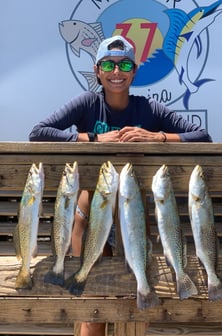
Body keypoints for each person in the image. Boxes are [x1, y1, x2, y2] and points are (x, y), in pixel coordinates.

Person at [29, 35, 212, 336]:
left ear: (135, 71)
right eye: (109, 65)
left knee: (134, 305)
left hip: (134, 218)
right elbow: (38, 133)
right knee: (94, 306)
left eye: (125, 64)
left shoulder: (149, 109)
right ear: (97, 70)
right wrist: (93, 139)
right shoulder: (87, 103)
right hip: (89, 218)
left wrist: (159, 137)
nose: (117, 71)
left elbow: (202, 136)